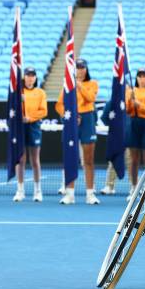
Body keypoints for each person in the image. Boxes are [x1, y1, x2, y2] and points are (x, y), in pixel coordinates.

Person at [55, 58, 99, 205]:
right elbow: (59, 105)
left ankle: (90, 194)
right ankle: (70, 194)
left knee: (89, 160)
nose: (80, 70)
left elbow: (91, 98)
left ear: (86, 70)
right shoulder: (68, 86)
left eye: (82, 67)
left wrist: (79, 86)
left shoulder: (92, 84)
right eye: (78, 67)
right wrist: (68, 116)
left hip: (87, 119)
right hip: (72, 120)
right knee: (70, 157)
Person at [13, 67, 47, 203]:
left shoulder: (40, 93)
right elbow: (12, 109)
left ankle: (38, 190)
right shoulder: (18, 93)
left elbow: (43, 111)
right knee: (20, 160)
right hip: (20, 127)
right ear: (24, 77)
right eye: (28, 75)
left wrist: (30, 117)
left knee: (35, 160)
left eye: (33, 75)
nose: (30, 78)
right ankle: (20, 190)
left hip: (34, 127)